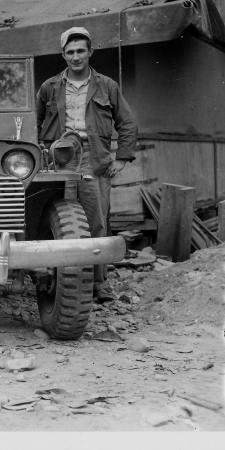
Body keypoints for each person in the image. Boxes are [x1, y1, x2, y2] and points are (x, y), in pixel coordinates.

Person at [36, 27, 138, 303]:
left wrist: (122, 157)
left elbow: (127, 123)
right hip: (58, 156)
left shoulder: (107, 86)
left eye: (81, 51)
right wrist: (41, 153)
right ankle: (53, 278)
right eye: (70, 52)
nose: (76, 56)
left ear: (90, 52)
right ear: (63, 55)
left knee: (95, 219)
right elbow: (34, 124)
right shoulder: (50, 87)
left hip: (94, 156)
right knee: (55, 215)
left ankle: (97, 282)